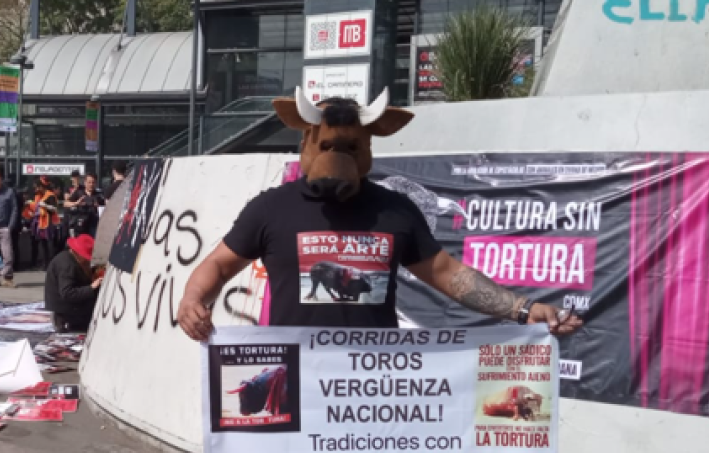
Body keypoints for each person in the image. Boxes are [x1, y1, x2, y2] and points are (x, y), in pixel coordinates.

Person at [178, 93, 583, 342]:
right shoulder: (271, 208)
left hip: (372, 383)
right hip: (297, 372)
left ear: (368, 147)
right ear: (307, 142)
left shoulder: (394, 210)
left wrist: (523, 309)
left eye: (351, 148)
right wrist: (193, 299)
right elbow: (219, 264)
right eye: (328, 145)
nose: (338, 158)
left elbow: (446, 273)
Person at [44, 233, 101, 332]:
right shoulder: (67, 265)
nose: (88, 260)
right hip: (66, 314)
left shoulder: (71, 259)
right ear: (79, 254)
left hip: (73, 310)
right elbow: (67, 293)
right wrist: (91, 287)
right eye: (86, 258)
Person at [23, 176, 60, 270]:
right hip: (41, 223)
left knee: (50, 245)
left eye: (37, 187)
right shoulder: (38, 196)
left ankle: (52, 265)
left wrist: (45, 205)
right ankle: (45, 264)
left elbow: (55, 208)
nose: (35, 189)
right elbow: (37, 207)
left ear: (41, 186)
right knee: (43, 245)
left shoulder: (50, 195)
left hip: (49, 223)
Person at [64, 173, 106, 238]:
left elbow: (106, 207)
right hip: (80, 226)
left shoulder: (99, 194)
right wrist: (76, 203)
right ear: (85, 182)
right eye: (89, 182)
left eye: (93, 182)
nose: (91, 184)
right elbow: (65, 204)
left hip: (94, 226)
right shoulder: (79, 192)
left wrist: (99, 206)